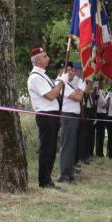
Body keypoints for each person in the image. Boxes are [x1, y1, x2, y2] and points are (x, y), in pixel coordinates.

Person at [26, 47, 67, 189]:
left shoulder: (43, 75)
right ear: (37, 61)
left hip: (52, 115)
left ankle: (48, 178)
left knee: (51, 148)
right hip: (46, 115)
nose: (48, 58)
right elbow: (50, 96)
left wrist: (60, 80)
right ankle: (43, 181)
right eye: (44, 56)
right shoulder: (35, 77)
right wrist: (61, 82)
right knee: (46, 149)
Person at [55, 61, 85, 183]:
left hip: (72, 117)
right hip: (68, 117)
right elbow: (78, 97)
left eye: (72, 70)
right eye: (68, 71)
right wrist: (82, 88)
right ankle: (64, 175)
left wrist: (79, 90)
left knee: (71, 146)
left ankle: (69, 173)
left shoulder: (67, 84)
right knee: (67, 146)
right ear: (61, 72)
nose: (72, 73)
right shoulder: (61, 83)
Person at [95, 81, 108, 157]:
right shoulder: (98, 92)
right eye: (102, 83)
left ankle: (101, 151)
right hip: (99, 114)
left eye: (103, 83)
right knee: (99, 134)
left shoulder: (102, 92)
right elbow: (100, 104)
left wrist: (106, 104)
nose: (103, 84)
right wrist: (106, 104)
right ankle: (98, 152)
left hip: (103, 114)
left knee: (102, 134)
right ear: (99, 84)